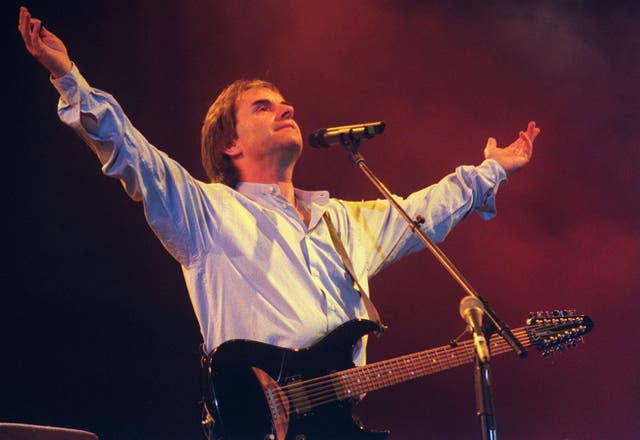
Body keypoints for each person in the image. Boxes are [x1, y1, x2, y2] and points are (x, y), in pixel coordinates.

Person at [18, 5, 540, 438]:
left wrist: (492, 169)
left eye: (285, 102)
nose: (287, 107)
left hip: (335, 422)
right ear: (230, 143)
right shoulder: (205, 212)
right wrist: (69, 77)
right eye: (264, 107)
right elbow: (132, 155)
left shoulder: (341, 221)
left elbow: (423, 213)